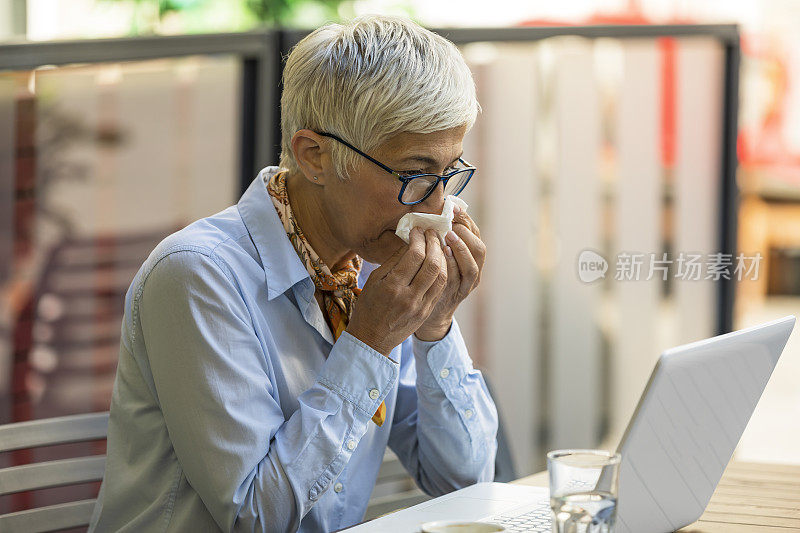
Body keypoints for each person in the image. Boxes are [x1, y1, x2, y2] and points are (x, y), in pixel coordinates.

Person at [89, 14, 498, 532]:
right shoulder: (199, 276)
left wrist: (435, 329)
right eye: (416, 175)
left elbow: (465, 482)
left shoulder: (366, 276)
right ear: (314, 156)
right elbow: (253, 517)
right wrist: (368, 343)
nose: (438, 208)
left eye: (450, 173)